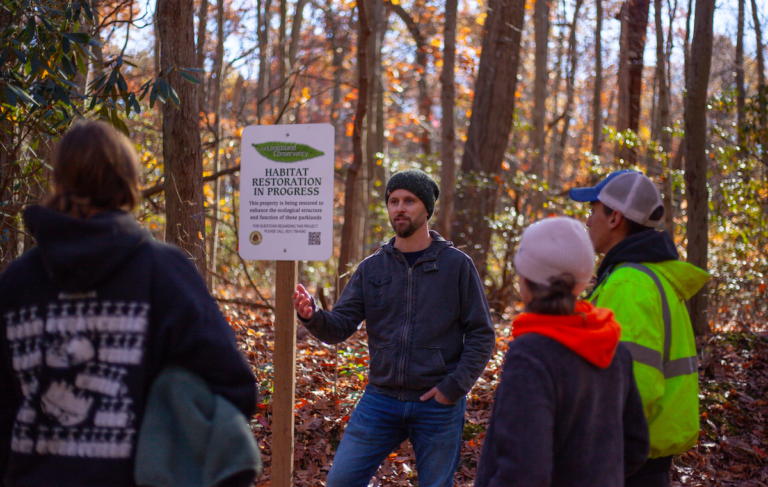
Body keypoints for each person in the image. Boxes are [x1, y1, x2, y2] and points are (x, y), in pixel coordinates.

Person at [0, 120, 257, 487]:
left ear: (60, 180)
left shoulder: (16, 282)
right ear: (126, 179)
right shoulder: (163, 272)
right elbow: (234, 387)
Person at [293, 168, 495, 487]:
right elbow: (339, 327)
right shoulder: (373, 268)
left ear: (426, 208)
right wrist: (312, 315)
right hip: (381, 399)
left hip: (437, 402)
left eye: (409, 201)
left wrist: (454, 386)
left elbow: (482, 334)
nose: (399, 208)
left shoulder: (457, 265)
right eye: (393, 201)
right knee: (340, 482)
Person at [474, 217, 650, 487]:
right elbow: (636, 445)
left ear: (525, 278)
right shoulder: (612, 347)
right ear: (580, 283)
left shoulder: (531, 354)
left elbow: (523, 474)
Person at [569, 170, 709, 486]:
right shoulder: (650, 277)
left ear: (615, 217)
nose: (588, 221)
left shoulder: (630, 283)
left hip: (626, 464)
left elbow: (633, 385)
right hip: (644, 460)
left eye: (593, 210)